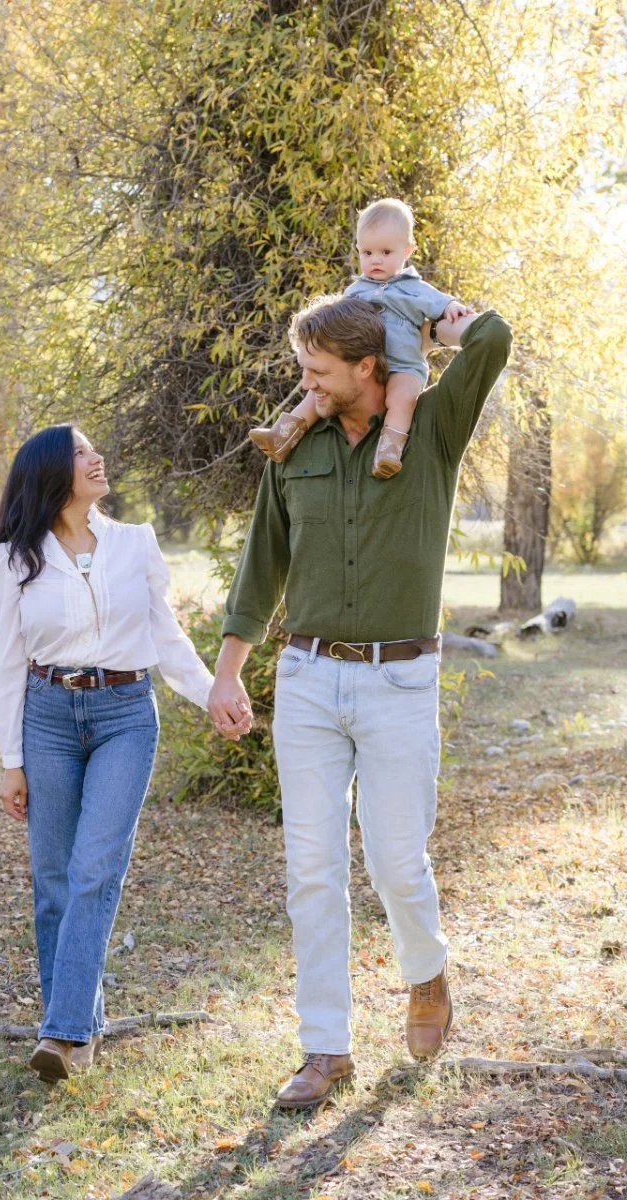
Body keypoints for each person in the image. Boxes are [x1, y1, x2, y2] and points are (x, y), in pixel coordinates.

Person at [210, 295, 512, 1108]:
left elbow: (493, 336)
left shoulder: (434, 429)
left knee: (395, 863)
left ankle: (426, 974)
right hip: (308, 677)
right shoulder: (293, 442)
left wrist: (420, 320)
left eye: (318, 370)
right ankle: (324, 1050)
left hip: (400, 681)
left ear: (368, 368)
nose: (302, 382)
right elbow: (260, 566)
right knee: (312, 868)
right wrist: (228, 670)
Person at [0, 424, 248, 1084]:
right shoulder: (18, 557)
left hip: (126, 715)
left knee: (95, 867)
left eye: (96, 447)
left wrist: (209, 691)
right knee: (52, 880)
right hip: (46, 715)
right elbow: (8, 664)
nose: (97, 458)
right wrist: (10, 758)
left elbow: (165, 633)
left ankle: (62, 1029)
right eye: (79, 452)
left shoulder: (135, 544)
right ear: (50, 473)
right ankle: (78, 1029)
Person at [250, 198, 474, 478]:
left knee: (402, 400)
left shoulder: (414, 289)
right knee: (315, 394)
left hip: (403, 366)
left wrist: (452, 307)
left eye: (385, 252)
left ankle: (388, 453)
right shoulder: (355, 291)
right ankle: (281, 437)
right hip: (364, 367)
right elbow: (339, 321)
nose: (375, 260)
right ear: (357, 250)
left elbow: (440, 304)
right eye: (367, 253)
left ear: (407, 251)